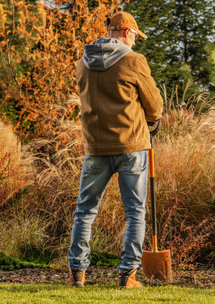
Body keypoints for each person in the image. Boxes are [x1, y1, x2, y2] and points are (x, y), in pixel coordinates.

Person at [67, 11, 163, 288]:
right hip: (131, 145)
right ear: (127, 32)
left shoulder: (82, 63)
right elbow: (154, 105)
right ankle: (127, 275)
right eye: (135, 36)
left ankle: (77, 273)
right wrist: (152, 121)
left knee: (84, 211)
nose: (135, 42)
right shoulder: (133, 60)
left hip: (95, 148)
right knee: (134, 212)